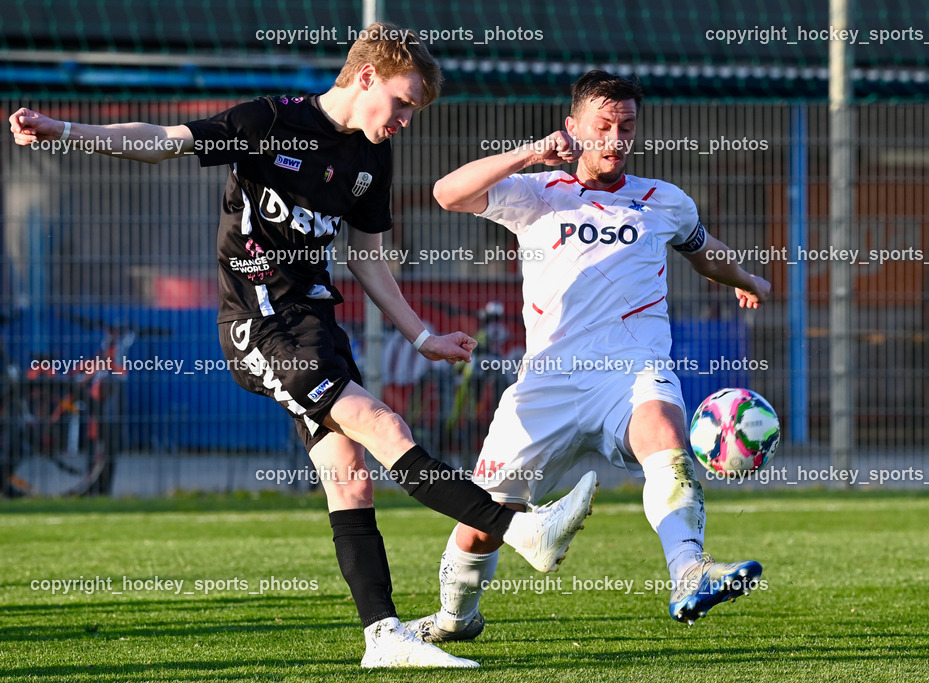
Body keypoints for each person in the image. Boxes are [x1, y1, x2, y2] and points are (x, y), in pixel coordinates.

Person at [8, 22, 597, 669]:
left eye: (415, 110)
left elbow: (369, 259)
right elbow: (161, 143)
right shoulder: (268, 121)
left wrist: (422, 334)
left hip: (316, 324)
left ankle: (383, 638)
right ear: (366, 75)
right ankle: (522, 528)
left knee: (350, 479)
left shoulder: (372, 156)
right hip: (258, 322)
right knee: (381, 420)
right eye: (402, 101)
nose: (405, 118)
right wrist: (66, 131)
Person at [407, 70, 772, 643]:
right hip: (548, 380)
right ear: (574, 126)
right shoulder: (537, 194)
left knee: (663, 433)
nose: (615, 137)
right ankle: (455, 617)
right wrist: (530, 154)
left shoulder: (663, 201)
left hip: (630, 369)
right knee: (483, 519)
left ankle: (689, 571)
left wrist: (746, 278)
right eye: (603, 125)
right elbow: (446, 193)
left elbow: (703, 253)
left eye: (626, 126)